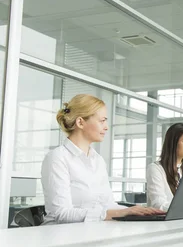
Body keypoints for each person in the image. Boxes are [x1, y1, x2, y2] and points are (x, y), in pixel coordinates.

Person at [41, 94, 164, 224]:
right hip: (61, 235)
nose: (106, 127)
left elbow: (108, 204)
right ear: (80, 122)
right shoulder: (57, 158)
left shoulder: (97, 160)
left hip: (92, 231)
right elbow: (61, 214)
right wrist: (118, 213)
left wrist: (136, 211)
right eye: (102, 120)